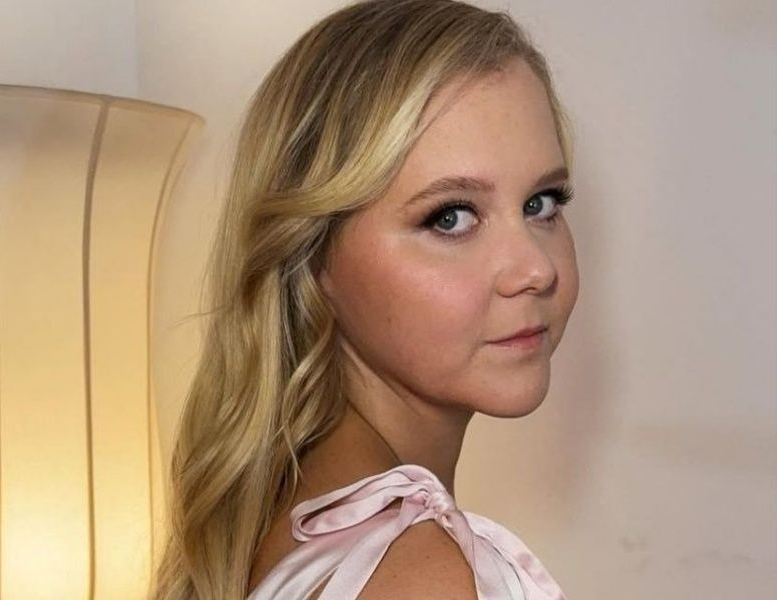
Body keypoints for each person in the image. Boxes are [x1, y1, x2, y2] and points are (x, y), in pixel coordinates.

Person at [151, 0, 578, 598]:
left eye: (542, 203)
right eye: (451, 217)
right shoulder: (417, 574)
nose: (536, 268)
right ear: (314, 254)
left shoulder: (289, 509)